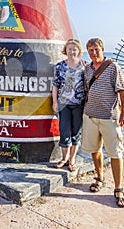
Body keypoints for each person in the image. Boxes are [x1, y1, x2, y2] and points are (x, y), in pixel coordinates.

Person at [81, 38, 124, 208]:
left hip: (109, 117)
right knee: (94, 150)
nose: (94, 52)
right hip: (90, 116)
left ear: (102, 49)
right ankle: (99, 177)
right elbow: (87, 89)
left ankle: (118, 188)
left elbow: (122, 89)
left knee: (116, 152)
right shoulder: (86, 69)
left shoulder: (113, 67)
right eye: (91, 49)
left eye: (97, 49)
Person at [52, 39, 86, 171]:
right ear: (65, 50)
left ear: (79, 50)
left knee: (76, 133)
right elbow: (55, 85)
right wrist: (55, 102)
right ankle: (64, 158)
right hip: (64, 104)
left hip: (79, 104)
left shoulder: (84, 65)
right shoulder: (59, 66)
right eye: (69, 49)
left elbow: (88, 85)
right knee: (64, 131)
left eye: (74, 49)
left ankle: (72, 160)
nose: (72, 51)